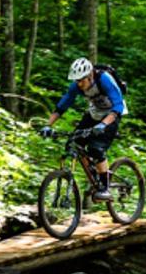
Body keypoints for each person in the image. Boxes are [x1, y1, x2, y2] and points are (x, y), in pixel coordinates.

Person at [39, 57, 127, 200]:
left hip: (112, 114)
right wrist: (48, 125)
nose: (78, 84)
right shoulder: (76, 86)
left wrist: (104, 124)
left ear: (90, 75)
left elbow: (118, 106)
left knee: (96, 149)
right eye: (76, 80)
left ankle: (105, 188)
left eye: (81, 80)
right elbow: (62, 106)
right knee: (73, 143)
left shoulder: (104, 80)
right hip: (94, 113)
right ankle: (93, 178)